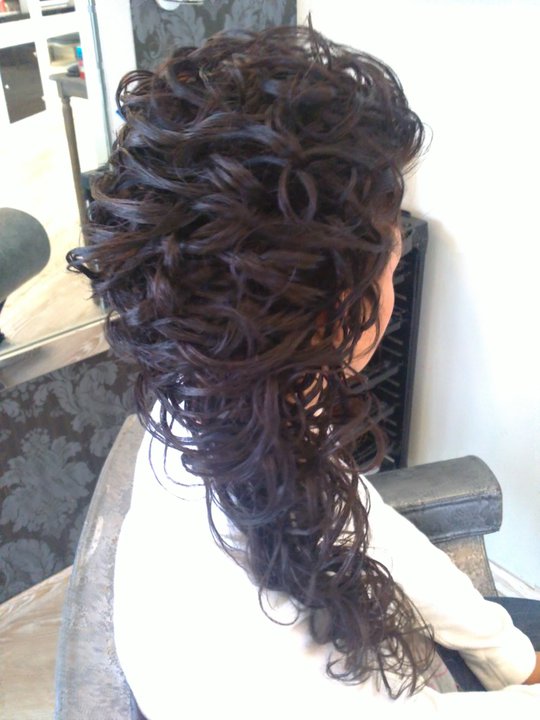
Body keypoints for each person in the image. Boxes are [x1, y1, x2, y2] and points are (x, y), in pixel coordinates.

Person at [69, 24, 540, 717]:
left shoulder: (225, 392)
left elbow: (357, 518)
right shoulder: (250, 663)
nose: (394, 276)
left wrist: (509, 656)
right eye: (390, 256)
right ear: (331, 314)